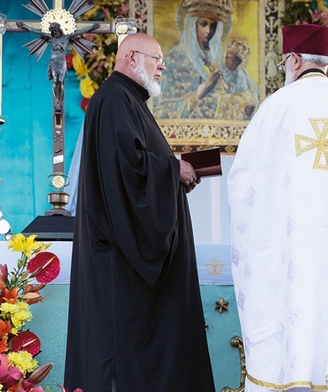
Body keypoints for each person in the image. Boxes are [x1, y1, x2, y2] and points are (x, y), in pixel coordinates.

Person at [227, 24, 328, 392]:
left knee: (285, 340)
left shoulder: (277, 106)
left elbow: (244, 181)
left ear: (294, 60)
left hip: (288, 254)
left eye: (284, 63)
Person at [63, 33, 215, 392]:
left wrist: (173, 175)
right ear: (132, 57)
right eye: (156, 58)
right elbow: (125, 173)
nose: (163, 65)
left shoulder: (127, 101)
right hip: (124, 270)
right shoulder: (116, 99)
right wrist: (172, 171)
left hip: (124, 265)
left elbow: (135, 167)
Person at [153, 0, 233, 119]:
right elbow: (160, 109)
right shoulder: (173, 60)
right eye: (203, 24)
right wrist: (197, 96)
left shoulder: (223, 61)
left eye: (213, 26)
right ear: (192, 25)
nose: (208, 31)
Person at [16, 21, 99, 111]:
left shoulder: (65, 37)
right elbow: (36, 31)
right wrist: (25, 26)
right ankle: (57, 102)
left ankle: (59, 101)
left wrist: (91, 27)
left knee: (60, 81)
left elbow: (79, 32)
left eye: (55, 30)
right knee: (56, 82)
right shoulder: (51, 38)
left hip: (62, 61)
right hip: (54, 61)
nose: (54, 32)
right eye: (52, 31)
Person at [215, 37, 259, 120]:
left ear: (237, 62)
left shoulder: (238, 74)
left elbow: (233, 89)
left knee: (224, 100)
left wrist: (222, 81)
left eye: (231, 59)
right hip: (228, 94)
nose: (228, 61)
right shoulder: (225, 71)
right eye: (227, 57)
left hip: (237, 97)